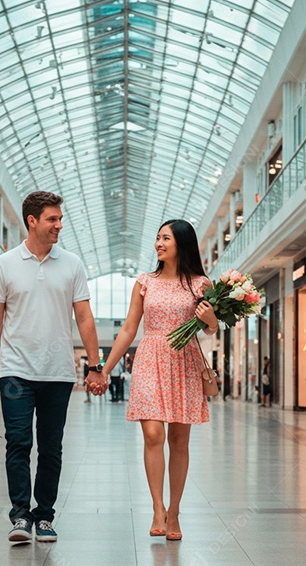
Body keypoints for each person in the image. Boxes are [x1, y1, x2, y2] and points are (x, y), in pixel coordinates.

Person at [0, 191, 103, 544]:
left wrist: (95, 366)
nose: (59, 225)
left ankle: (44, 515)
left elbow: (84, 316)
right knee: (18, 442)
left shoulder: (72, 264)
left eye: (60, 219)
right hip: (15, 371)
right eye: (52, 219)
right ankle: (20, 516)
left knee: (51, 447)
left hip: (58, 373)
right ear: (32, 221)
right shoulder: (5, 263)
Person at [94, 219, 218, 541]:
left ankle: (174, 511)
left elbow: (211, 329)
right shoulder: (144, 282)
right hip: (150, 358)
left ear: (182, 243)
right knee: (152, 434)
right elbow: (128, 329)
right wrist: (105, 369)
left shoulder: (201, 283)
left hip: (185, 362)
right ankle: (157, 506)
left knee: (179, 440)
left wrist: (211, 320)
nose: (159, 244)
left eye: (166, 238)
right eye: (158, 238)